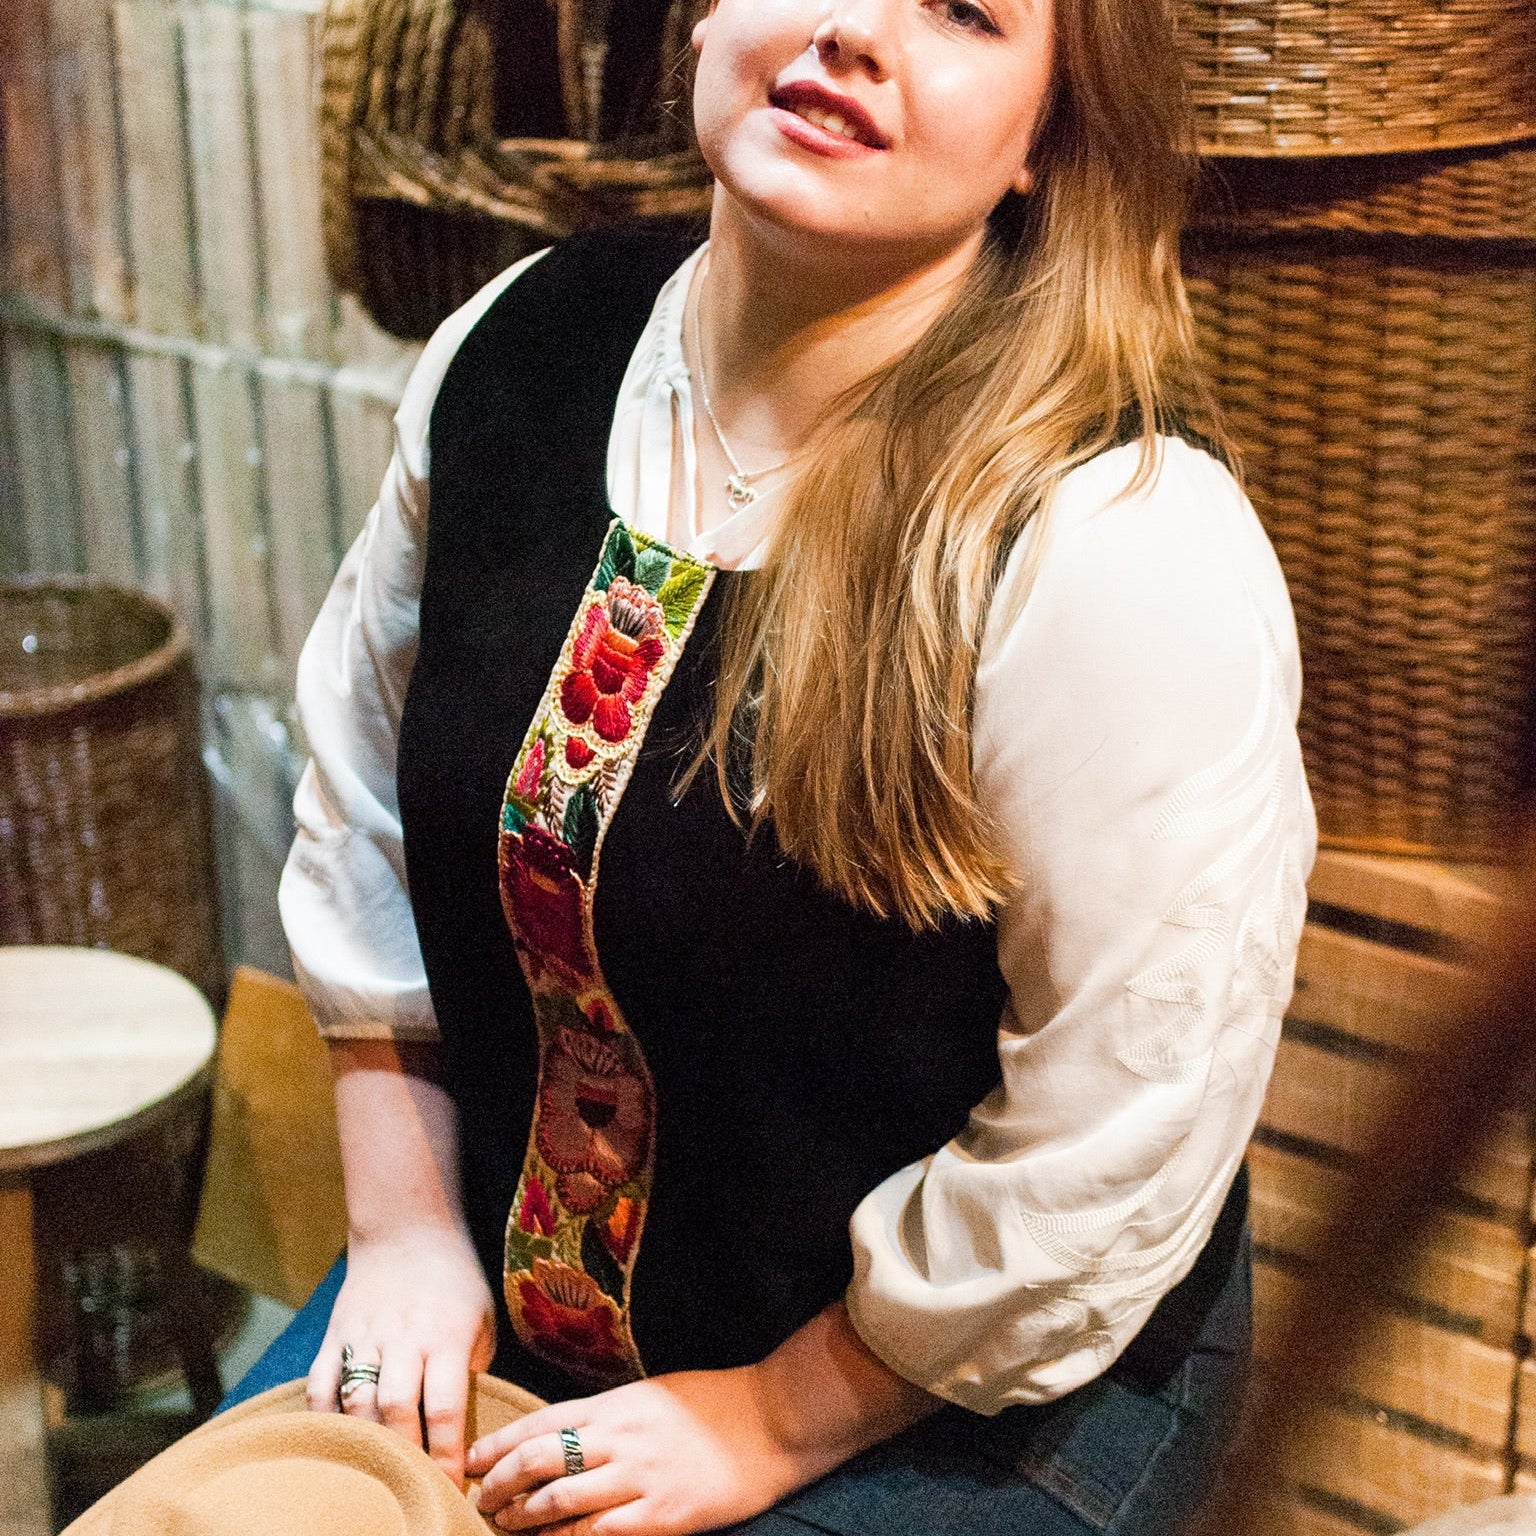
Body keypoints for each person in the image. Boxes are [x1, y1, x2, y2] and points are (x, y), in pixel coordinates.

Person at [233, 0, 1317, 1531]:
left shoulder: (1121, 541)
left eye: (962, 10)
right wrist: (402, 1233)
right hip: (497, 1272)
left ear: (1047, 137)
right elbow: (362, 803)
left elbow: (1113, 1131)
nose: (852, 30)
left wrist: (776, 1416)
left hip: (954, 1376)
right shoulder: (518, 343)